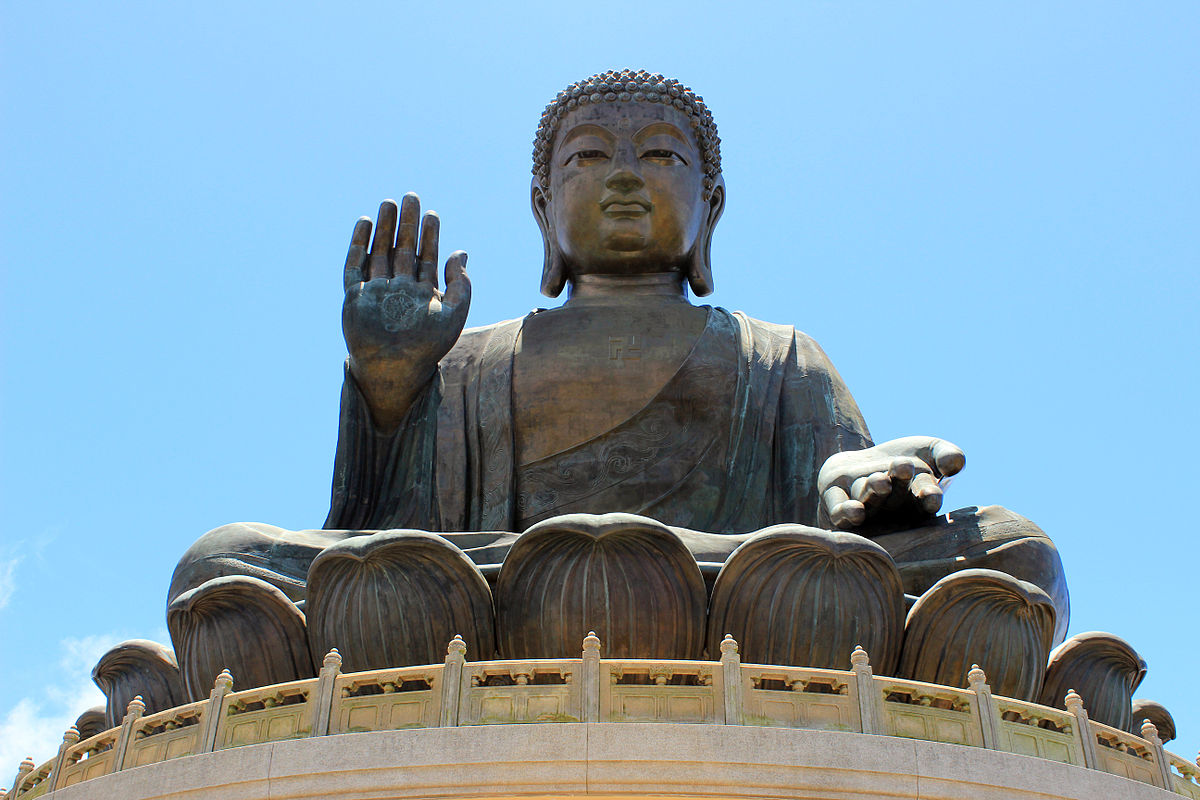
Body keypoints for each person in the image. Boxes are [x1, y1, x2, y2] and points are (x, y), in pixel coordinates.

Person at [166, 70, 1067, 701]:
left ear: (710, 206)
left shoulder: (780, 357)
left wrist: (865, 492)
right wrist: (391, 388)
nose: (628, 175)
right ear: (543, 209)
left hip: (738, 592)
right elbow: (379, 540)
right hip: (490, 590)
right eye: (590, 158)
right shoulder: (472, 359)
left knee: (1017, 553)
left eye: (664, 158)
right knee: (218, 563)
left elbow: (841, 526)